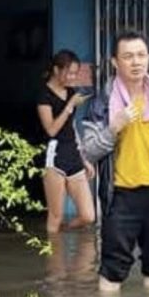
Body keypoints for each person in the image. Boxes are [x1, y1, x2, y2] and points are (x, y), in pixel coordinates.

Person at [80, 31, 149, 295]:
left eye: (141, 55)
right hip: (120, 198)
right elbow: (89, 151)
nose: (136, 62)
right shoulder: (103, 103)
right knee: (112, 272)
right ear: (114, 62)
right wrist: (113, 127)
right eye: (128, 56)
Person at [36, 50, 95, 234]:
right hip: (54, 157)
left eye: (75, 74)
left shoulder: (71, 92)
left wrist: (83, 159)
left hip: (73, 155)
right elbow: (52, 130)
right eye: (69, 73)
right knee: (55, 216)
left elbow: (72, 128)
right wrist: (69, 106)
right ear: (56, 70)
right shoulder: (43, 96)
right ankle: (54, 260)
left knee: (88, 216)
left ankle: (63, 235)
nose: (72, 77)